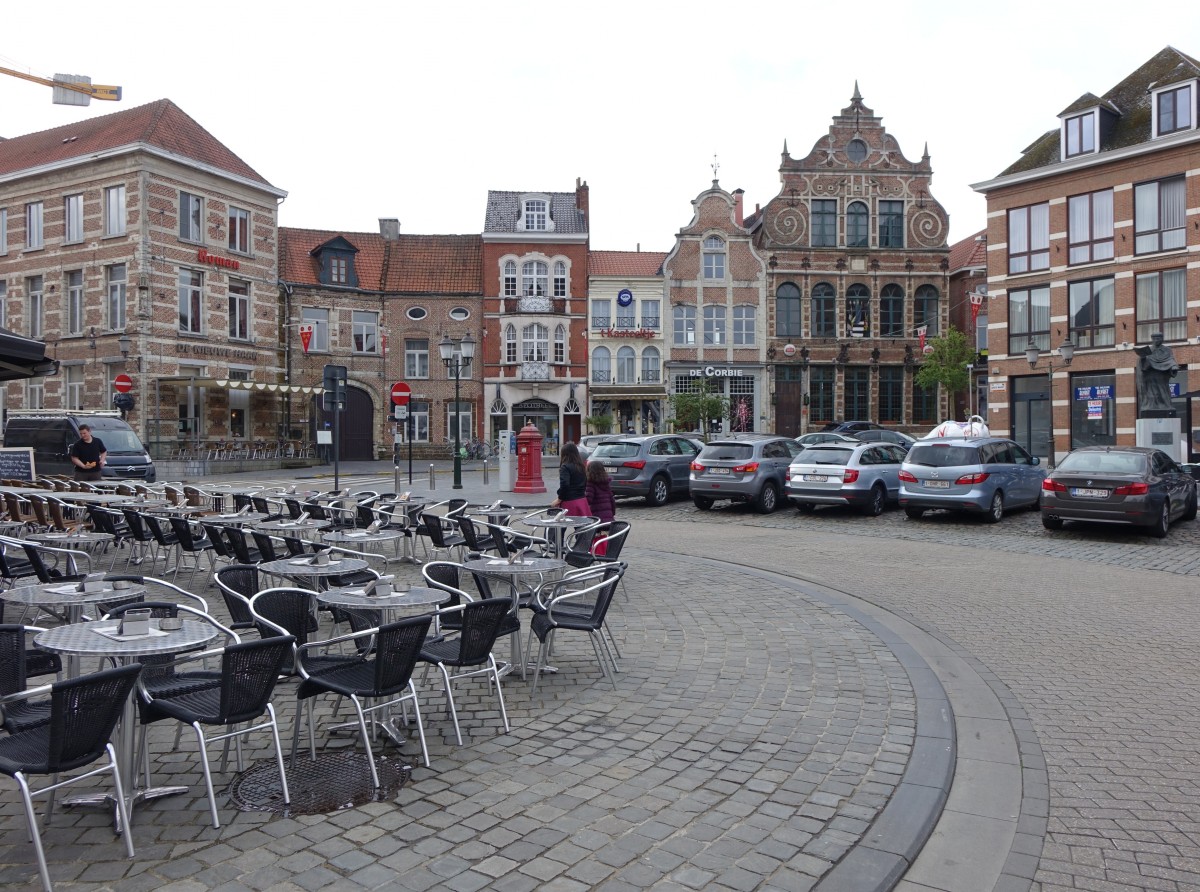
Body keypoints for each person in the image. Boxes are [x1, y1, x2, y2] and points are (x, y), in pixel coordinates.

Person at [1134, 332, 1180, 415]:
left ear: (1162, 339)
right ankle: (1150, 406)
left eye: (1158, 338)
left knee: (1164, 391)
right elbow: (1142, 364)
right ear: (1152, 340)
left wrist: (1173, 367)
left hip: (1162, 375)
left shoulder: (1167, 350)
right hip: (1150, 375)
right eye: (1154, 339)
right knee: (1152, 393)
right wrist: (1143, 358)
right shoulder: (1149, 350)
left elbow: (1171, 360)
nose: (1156, 340)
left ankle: (1167, 405)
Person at [585, 460, 617, 557]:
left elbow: (588, 500)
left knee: (596, 537)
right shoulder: (606, 483)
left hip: (597, 519)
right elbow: (612, 501)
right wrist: (612, 514)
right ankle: (605, 553)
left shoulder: (591, 484)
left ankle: (597, 554)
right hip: (608, 519)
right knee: (605, 538)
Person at [550, 442, 589, 517]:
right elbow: (585, 482)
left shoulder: (565, 467)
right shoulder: (581, 466)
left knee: (559, 525)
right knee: (582, 526)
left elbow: (565, 485)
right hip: (581, 499)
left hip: (569, 501)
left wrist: (559, 499)